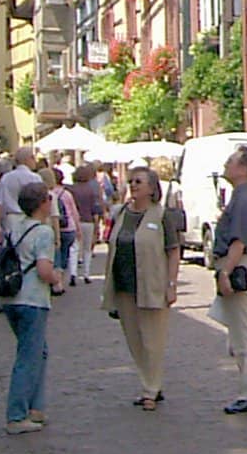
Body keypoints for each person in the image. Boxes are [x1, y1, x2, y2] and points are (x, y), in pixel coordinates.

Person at [104, 165, 181, 409]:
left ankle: (151, 389)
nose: (133, 185)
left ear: (151, 187)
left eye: (138, 181)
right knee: (134, 339)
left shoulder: (161, 215)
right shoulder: (122, 213)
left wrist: (171, 284)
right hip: (125, 285)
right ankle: (149, 383)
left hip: (152, 285)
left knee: (153, 340)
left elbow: (173, 251)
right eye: (131, 181)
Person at [1, 180, 64, 434]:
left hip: (11, 298)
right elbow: (43, 269)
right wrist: (57, 278)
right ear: (43, 203)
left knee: (39, 351)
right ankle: (16, 415)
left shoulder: (15, 226)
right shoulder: (44, 232)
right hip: (33, 299)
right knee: (28, 356)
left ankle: (35, 407)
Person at [209, 146, 247, 414]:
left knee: (243, 335)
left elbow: (239, 240)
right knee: (241, 333)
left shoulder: (244, 199)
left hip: (238, 265)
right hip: (238, 264)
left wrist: (225, 271)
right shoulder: (240, 196)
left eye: (230, 161)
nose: (226, 165)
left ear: (243, 168)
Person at [69, 163, 103, 283]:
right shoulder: (91, 190)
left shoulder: (71, 189)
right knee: (87, 249)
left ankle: (73, 273)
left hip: (74, 221)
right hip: (88, 221)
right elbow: (95, 209)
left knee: (74, 247)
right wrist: (97, 225)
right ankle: (86, 274)